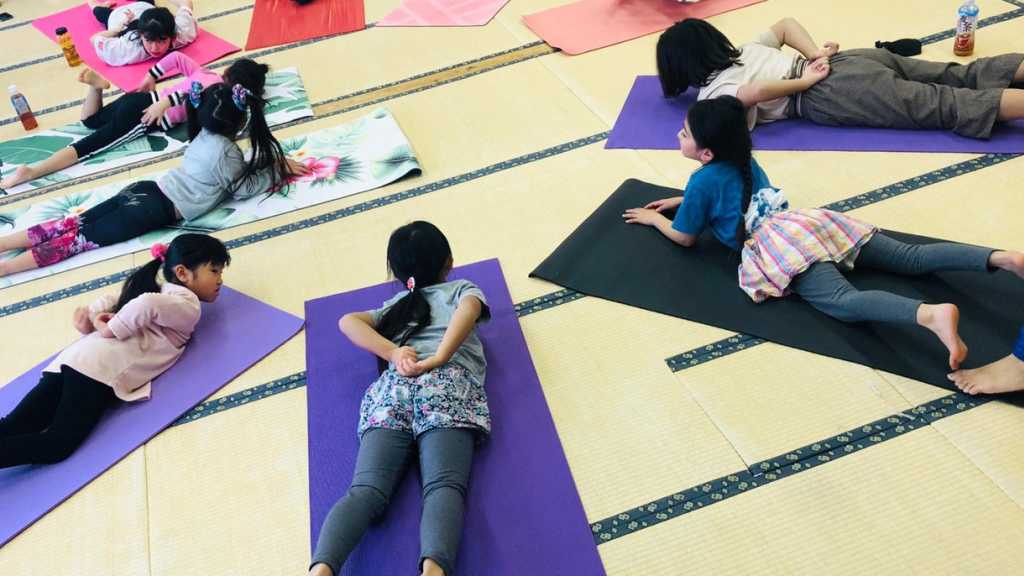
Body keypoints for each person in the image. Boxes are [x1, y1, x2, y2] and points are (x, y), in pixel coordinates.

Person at [623, 96, 1024, 370]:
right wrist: (683, 200)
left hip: (782, 245)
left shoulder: (701, 181)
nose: (678, 135)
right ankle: (1001, 258)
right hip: (809, 223)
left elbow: (686, 237)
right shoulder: (742, 157)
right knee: (910, 256)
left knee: (842, 301)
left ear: (706, 153)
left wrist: (656, 219)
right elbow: (733, 197)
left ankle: (929, 315)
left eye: (685, 133)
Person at [310, 221, 491, 576]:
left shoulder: (396, 305)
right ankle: (433, 571)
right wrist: (440, 356)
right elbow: (469, 310)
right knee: (442, 486)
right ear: (449, 261)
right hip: (447, 387)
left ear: (396, 273)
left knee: (365, 491)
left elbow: (347, 321)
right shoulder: (461, 289)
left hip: (392, 390)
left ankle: (321, 570)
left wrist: (393, 353)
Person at [0, 81, 308, 277]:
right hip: (151, 210)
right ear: (239, 123)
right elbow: (243, 189)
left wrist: (263, 162)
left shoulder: (202, 135)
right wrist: (276, 169)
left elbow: (230, 172)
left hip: (146, 190)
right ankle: (6, 268)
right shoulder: (227, 151)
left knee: (70, 224)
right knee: (78, 241)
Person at [0, 234, 229, 468]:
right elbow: (146, 304)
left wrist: (92, 319)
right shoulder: (187, 306)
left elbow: (113, 301)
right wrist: (110, 329)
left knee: (16, 425)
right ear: (182, 273)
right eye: (214, 271)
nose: (220, 280)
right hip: (98, 369)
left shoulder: (154, 289)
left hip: (74, 358)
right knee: (58, 443)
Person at [655, 17, 1024, 138]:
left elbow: (753, 91)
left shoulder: (712, 94)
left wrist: (804, 82)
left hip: (828, 91)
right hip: (850, 60)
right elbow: (786, 25)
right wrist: (816, 55)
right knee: (959, 74)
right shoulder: (746, 49)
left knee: (946, 103)